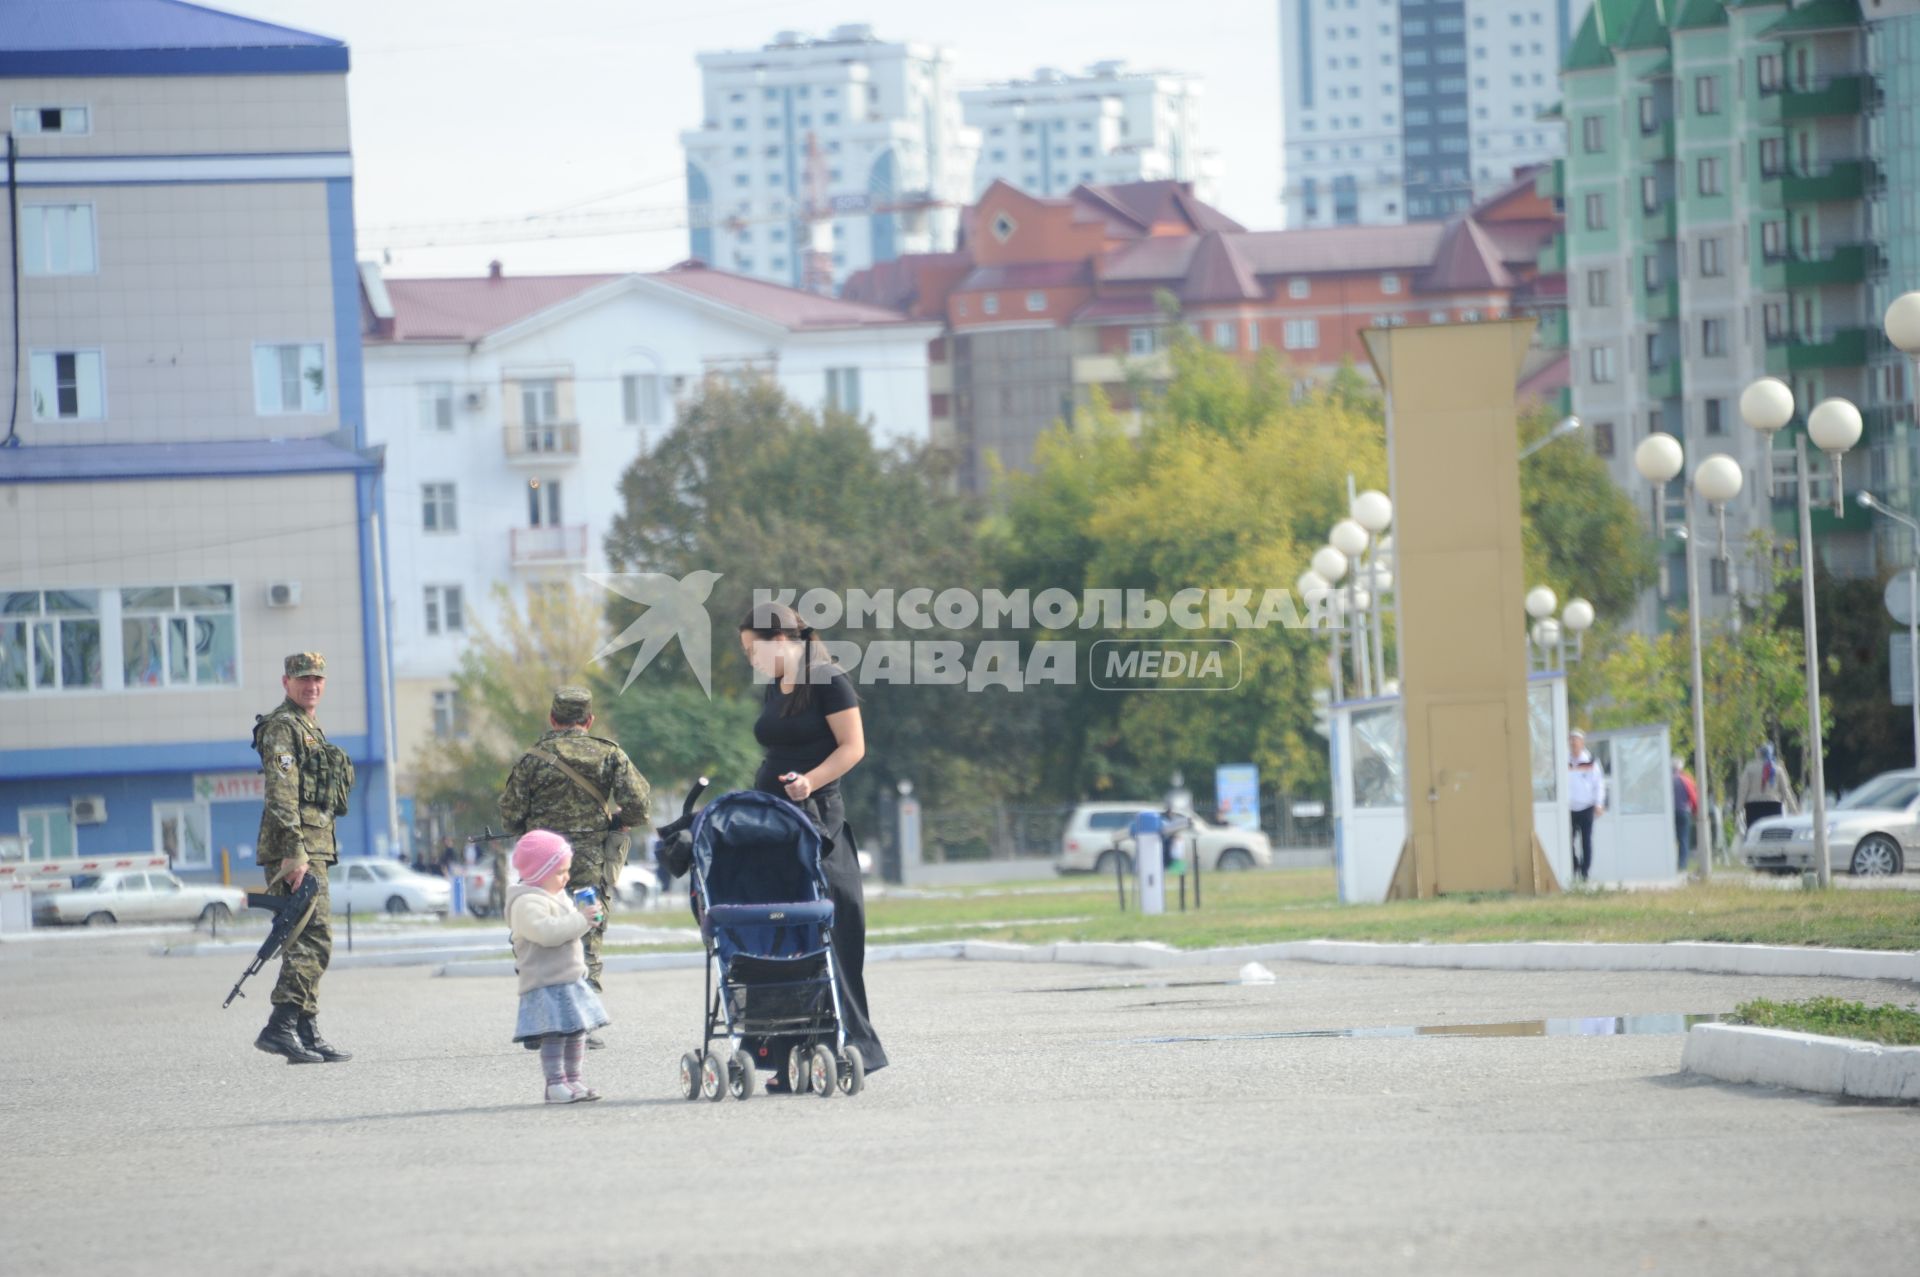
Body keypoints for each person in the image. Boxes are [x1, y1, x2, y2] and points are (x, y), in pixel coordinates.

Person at [738, 602, 887, 1086]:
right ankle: (779, 1055)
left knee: (832, 924)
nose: (750, 659)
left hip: (817, 816)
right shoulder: (774, 686)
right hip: (772, 817)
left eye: (752, 649)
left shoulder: (828, 679)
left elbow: (853, 747)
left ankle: (841, 1043)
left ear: (781, 639)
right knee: (778, 932)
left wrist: (810, 780)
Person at [499, 686, 651, 1048]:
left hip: (541, 865)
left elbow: (510, 815)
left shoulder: (532, 758)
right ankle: (581, 1024)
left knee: (534, 932)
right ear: (589, 720)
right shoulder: (608, 754)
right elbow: (639, 805)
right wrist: (617, 820)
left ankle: (539, 1022)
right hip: (588, 860)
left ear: (552, 719)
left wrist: (534, 830)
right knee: (587, 931)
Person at [250, 652, 355, 1064]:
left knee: (307, 939)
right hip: (295, 850)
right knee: (312, 940)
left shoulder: (309, 727)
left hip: (315, 846)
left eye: (317, 679)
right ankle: (280, 1026)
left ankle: (305, 1031)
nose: (311, 686)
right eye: (303, 679)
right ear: (286, 682)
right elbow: (281, 792)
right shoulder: (282, 726)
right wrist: (295, 852)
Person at [505, 831, 609, 1104]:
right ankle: (555, 1084)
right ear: (540, 871)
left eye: (567, 871)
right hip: (545, 983)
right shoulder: (526, 903)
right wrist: (581, 920)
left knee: (577, 1031)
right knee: (554, 1034)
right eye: (560, 871)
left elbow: (569, 926)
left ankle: (573, 1078)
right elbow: (548, 933)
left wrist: (585, 917)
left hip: (569, 979)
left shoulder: (556, 895)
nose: (566, 877)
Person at [1567, 729, 1605, 884]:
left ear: (1582, 743)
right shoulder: (1564, 760)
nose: (1574, 744)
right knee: (1568, 840)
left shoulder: (1591, 761)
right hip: (1569, 807)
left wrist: (1599, 803)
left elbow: (1599, 784)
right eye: (1571, 741)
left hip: (1586, 806)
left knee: (1586, 840)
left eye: (1576, 741)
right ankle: (1574, 865)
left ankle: (1585, 871)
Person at [1737, 743, 1798, 834]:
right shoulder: (1778, 769)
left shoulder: (1749, 768)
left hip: (1753, 808)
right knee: (1773, 835)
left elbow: (1743, 790)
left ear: (1758, 753)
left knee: (1754, 835)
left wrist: (1739, 808)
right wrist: (1794, 811)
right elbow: (1786, 791)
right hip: (1773, 807)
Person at [1673, 760, 1700, 871]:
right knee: (1683, 839)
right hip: (1684, 812)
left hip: (1670, 813)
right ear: (1681, 768)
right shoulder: (1686, 780)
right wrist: (1695, 811)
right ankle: (1682, 865)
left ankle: (1670, 863)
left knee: (1671, 839)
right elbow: (1693, 797)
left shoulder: (1666, 780)